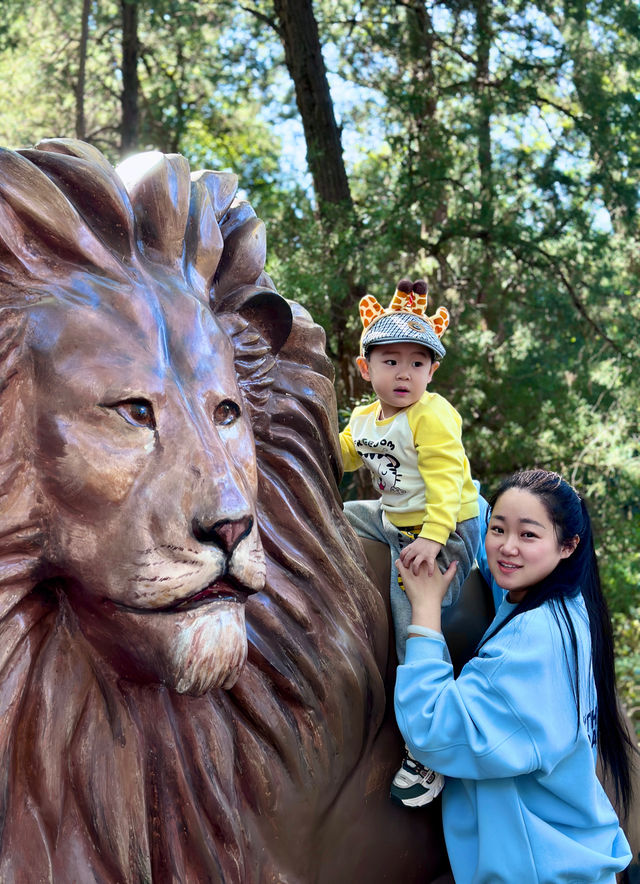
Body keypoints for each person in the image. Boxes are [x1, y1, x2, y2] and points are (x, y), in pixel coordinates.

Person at [394, 469, 635, 883]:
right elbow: (495, 556)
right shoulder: (567, 603)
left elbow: (432, 729)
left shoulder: (531, 643)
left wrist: (425, 610)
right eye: (497, 529)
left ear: (568, 546)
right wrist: (444, 468)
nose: (507, 548)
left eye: (528, 535)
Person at [340, 278, 480, 807]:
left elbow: (446, 482)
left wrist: (433, 538)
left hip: (446, 525)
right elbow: (346, 453)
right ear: (365, 369)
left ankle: (427, 749)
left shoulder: (433, 416)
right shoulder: (364, 417)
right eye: (391, 360)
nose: (404, 373)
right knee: (336, 520)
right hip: (391, 514)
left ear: (432, 372)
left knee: (410, 621)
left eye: (418, 363)